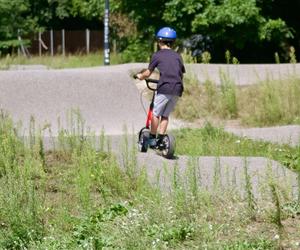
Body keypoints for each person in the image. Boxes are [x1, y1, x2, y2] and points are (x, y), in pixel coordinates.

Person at [136, 27, 185, 149]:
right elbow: (181, 73)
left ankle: (152, 138)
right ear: (173, 42)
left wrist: (140, 76)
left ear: (160, 41)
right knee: (165, 115)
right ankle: (162, 138)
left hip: (164, 87)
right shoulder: (178, 56)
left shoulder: (157, 55)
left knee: (156, 114)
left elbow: (147, 73)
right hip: (177, 89)